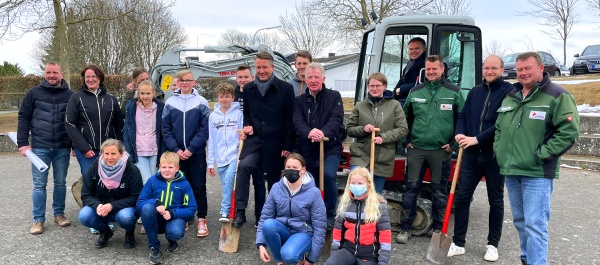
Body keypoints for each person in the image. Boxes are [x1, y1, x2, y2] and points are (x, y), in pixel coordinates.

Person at [494, 52, 579, 265]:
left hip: (537, 173)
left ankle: (537, 262)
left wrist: (540, 155)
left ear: (541, 68)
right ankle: (527, 258)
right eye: (520, 69)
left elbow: (568, 133)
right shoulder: (511, 96)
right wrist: (499, 151)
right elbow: (499, 128)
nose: (523, 73)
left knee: (535, 224)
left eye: (528, 68)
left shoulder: (557, 95)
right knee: (521, 222)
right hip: (512, 170)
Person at [447, 55, 513, 262]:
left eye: (494, 68)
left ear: (502, 70)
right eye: (486, 68)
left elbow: (503, 123)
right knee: (462, 198)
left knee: (496, 201)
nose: (489, 71)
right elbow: (463, 116)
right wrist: (459, 133)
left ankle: (493, 245)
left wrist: (477, 139)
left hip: (494, 156)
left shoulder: (510, 92)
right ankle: (458, 243)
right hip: (471, 156)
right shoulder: (475, 91)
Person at [397, 55, 465, 244]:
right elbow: (405, 118)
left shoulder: (454, 92)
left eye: (435, 69)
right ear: (424, 71)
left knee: (439, 191)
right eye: (428, 69)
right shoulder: (416, 91)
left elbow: (462, 119)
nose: (431, 72)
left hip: (440, 151)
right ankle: (406, 227)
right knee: (410, 190)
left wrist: (454, 144)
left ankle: (437, 228)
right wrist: (406, 140)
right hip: (416, 149)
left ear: (442, 69)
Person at [233, 51, 295, 228]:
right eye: (258, 67)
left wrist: (287, 145)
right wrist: (247, 125)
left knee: (274, 181)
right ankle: (242, 211)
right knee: (246, 168)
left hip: (276, 142)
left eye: (265, 67)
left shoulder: (285, 88)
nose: (261, 70)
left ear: (272, 67)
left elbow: (290, 119)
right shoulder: (249, 89)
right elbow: (246, 115)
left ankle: (271, 216)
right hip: (255, 142)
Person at [17, 62, 74, 234]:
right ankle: (38, 220)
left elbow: (74, 122)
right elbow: (24, 117)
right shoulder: (33, 93)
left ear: (61, 74)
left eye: (55, 72)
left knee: (60, 182)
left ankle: (59, 214)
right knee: (39, 185)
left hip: (62, 147)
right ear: (44, 74)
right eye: (48, 72)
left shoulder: (70, 95)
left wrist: (74, 145)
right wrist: (23, 144)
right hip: (40, 147)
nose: (51, 75)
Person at [292, 62, 344, 229]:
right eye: (310, 77)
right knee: (309, 182)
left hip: (329, 147)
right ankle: (312, 214)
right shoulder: (299, 101)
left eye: (316, 77)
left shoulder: (334, 96)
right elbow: (297, 121)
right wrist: (309, 133)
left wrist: (323, 133)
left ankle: (329, 214)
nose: (313, 80)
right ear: (305, 79)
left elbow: (336, 119)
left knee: (328, 175)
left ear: (323, 78)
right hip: (307, 149)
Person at [161, 70, 211, 238]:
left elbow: (205, 130)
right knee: (180, 185)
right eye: (182, 80)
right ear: (178, 82)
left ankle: (201, 217)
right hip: (177, 154)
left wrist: (190, 149)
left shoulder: (201, 102)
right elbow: (165, 129)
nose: (184, 83)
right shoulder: (170, 102)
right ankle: (185, 217)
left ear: (194, 82)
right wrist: (176, 149)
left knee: (198, 186)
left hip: (195, 153)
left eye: (188, 80)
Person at [256, 153, 327, 265]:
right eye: (288, 167)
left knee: (289, 255)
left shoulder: (314, 193)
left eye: (295, 168)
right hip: (283, 229)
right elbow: (265, 216)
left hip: (303, 232)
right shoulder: (276, 188)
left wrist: (311, 259)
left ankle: (292, 255)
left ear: (303, 170)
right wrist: (260, 244)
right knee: (268, 224)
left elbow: (320, 226)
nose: (291, 170)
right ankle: (280, 261)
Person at [345, 72, 408, 193]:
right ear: (368, 86)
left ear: (384, 86)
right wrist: (363, 129)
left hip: (383, 158)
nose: (374, 88)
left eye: (378, 85)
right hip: (361, 156)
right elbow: (349, 129)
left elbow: (403, 129)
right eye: (371, 85)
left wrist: (383, 138)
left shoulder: (395, 106)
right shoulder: (360, 106)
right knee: (356, 191)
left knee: (375, 195)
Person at [78, 139, 143, 249]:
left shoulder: (131, 169)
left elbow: (136, 197)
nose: (109, 157)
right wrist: (97, 205)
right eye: (106, 153)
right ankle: (105, 231)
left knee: (126, 217)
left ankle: (129, 232)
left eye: (113, 154)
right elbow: (86, 194)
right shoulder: (94, 167)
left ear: (121, 154)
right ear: (102, 153)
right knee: (84, 216)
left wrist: (112, 206)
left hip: (124, 207)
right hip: (102, 205)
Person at [137, 152, 197, 265]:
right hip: (156, 217)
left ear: (177, 168)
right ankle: (154, 247)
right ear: (159, 167)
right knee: (146, 208)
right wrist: (156, 202)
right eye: (164, 167)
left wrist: (173, 213)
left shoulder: (184, 184)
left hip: (174, 216)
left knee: (175, 232)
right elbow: (140, 202)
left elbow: (192, 209)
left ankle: (172, 239)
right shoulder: (152, 181)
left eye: (170, 167)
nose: (167, 170)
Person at [66, 64, 124, 178]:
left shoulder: (111, 99)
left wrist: (119, 147)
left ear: (100, 78)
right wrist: (84, 148)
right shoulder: (76, 98)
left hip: (109, 151)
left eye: (94, 76)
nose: (90, 79)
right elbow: (70, 124)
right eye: (87, 77)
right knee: (90, 180)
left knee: (110, 180)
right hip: (87, 151)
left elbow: (119, 124)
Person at [326, 167, 391, 265]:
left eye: (360, 183)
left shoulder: (379, 206)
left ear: (368, 185)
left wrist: (383, 262)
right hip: (349, 250)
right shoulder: (345, 204)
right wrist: (335, 255)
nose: (356, 186)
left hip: (369, 254)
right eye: (353, 183)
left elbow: (385, 236)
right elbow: (337, 232)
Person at [233, 64, 265, 227]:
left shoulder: (258, 92)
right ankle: (240, 211)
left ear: (252, 77)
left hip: (263, 141)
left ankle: (260, 215)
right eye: (240, 77)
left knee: (259, 180)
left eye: (246, 77)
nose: (243, 80)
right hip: (246, 142)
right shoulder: (233, 94)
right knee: (244, 168)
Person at [207, 83, 243, 222]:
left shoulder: (238, 114)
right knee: (227, 186)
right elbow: (211, 139)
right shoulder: (212, 117)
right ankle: (234, 209)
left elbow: (241, 134)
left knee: (229, 179)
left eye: (227, 96)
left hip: (235, 155)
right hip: (220, 157)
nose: (224, 99)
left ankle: (224, 210)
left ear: (233, 97)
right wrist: (210, 162)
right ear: (217, 98)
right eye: (221, 97)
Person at [123, 80, 165, 184]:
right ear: (138, 93)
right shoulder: (132, 108)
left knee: (156, 178)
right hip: (139, 150)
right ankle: (148, 200)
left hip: (155, 149)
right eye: (142, 93)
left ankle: (156, 200)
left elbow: (163, 131)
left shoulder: (161, 108)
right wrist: (129, 151)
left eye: (148, 93)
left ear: (153, 93)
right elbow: (127, 130)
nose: (145, 96)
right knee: (146, 180)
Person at [393, 37, 427, 106]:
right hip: (406, 97)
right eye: (411, 49)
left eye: (416, 48)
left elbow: (423, 83)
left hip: (417, 99)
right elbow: (402, 80)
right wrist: (393, 93)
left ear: (424, 49)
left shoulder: (426, 64)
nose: (413, 51)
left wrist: (401, 89)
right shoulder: (410, 63)